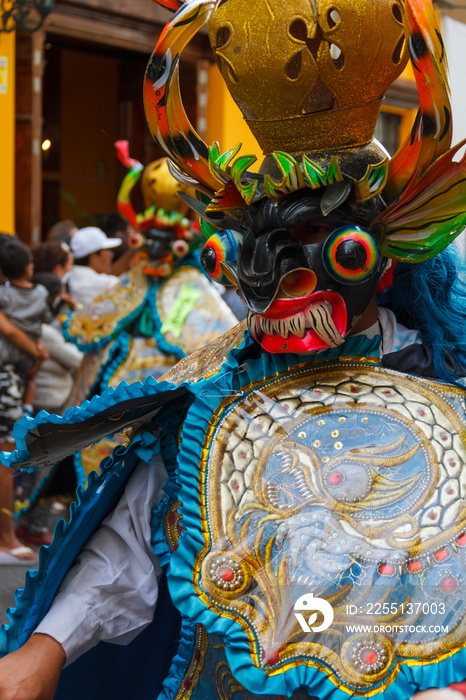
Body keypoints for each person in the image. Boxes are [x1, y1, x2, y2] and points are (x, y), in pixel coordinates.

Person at [2, 1, 466, 700]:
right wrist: (47, 645)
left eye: (331, 246)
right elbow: (133, 540)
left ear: (384, 257)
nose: (293, 278)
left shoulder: (441, 389)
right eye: (268, 251)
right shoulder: (216, 398)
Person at [0, 239, 52, 565]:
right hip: (11, 378)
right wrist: (34, 351)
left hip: (12, 375)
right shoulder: (41, 296)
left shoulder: (5, 295)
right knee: (6, 458)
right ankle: (6, 538)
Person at [65, 226, 122, 306]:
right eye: (106, 250)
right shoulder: (109, 284)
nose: (111, 254)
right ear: (94, 257)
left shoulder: (65, 280)